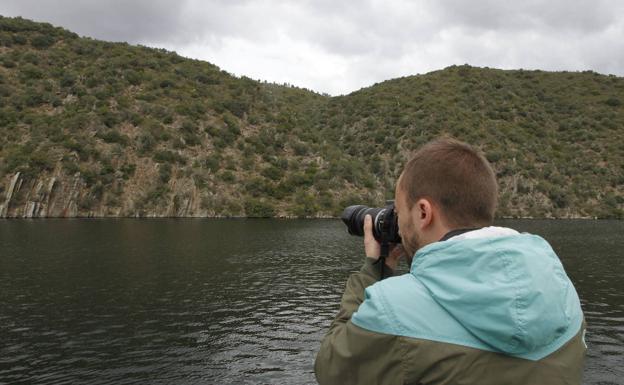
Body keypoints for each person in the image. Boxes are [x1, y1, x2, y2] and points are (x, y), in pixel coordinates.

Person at [315, 138, 586, 385]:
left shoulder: (392, 310)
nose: (398, 224)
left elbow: (331, 369)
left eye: (399, 212)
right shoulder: (563, 292)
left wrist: (373, 269)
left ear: (423, 212)